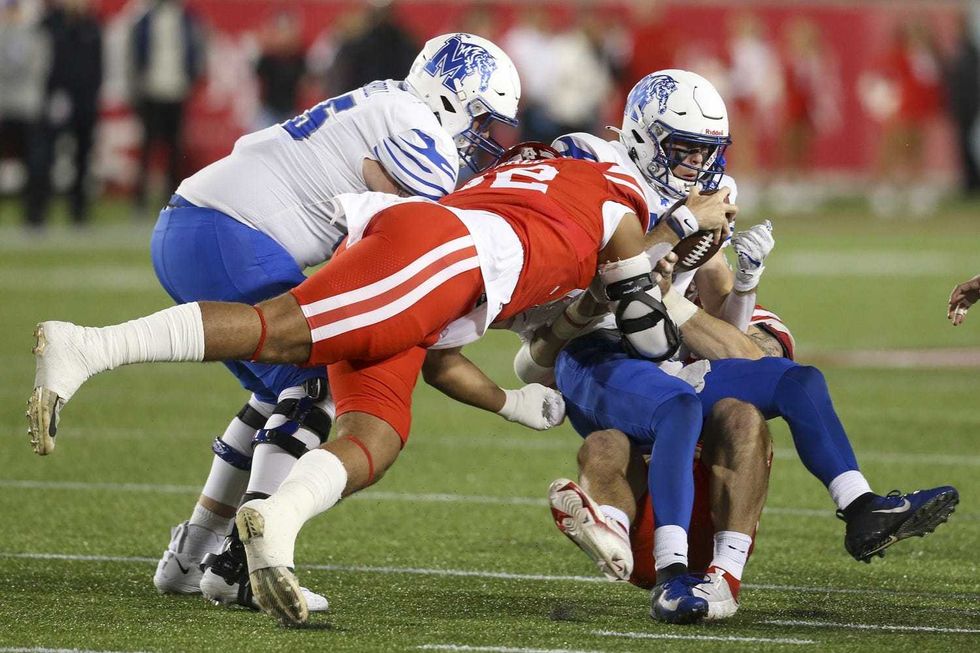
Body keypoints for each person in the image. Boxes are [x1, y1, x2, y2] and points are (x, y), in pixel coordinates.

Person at [29, 143, 749, 624]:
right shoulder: (613, 195)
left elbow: (438, 352)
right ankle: (89, 345)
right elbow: (649, 326)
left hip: (435, 273)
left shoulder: (548, 186)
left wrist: (510, 403)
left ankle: (273, 529)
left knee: (377, 432)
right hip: (442, 254)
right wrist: (686, 226)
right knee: (282, 329)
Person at [518, 69, 958, 623]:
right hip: (597, 350)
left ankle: (861, 505)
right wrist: (676, 229)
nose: (697, 167)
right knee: (669, 412)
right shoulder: (596, 171)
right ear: (643, 137)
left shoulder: (698, 198)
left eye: (707, 152)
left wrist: (732, 278)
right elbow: (599, 281)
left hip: (665, 352)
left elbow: (717, 309)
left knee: (799, 379)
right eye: (683, 150)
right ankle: (672, 571)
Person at [137, 32, 522, 611]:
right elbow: (410, 242)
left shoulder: (390, 101)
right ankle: (241, 563)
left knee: (281, 392)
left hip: (195, 222)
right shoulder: (418, 132)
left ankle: (193, 553)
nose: (483, 138)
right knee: (314, 386)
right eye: (482, 120)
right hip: (230, 234)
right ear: (456, 98)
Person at [130, 0, 204, 213]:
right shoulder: (146, 19)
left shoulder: (187, 18)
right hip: (151, 89)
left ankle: (172, 196)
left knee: (174, 147)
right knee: (148, 146)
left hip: (177, 89)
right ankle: (140, 199)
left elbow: (196, 49)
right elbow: (136, 54)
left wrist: (191, 77)